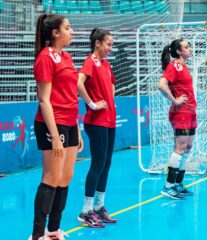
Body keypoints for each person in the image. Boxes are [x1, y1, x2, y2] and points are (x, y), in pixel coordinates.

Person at [30, 14, 82, 240]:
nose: (72, 32)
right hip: (52, 123)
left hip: (69, 123)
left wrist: (77, 128)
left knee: (65, 177)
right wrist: (55, 135)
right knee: (51, 177)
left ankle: (53, 230)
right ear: (55, 33)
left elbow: (71, 96)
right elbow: (44, 100)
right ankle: (37, 234)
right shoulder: (45, 58)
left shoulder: (67, 57)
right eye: (68, 28)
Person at [77, 28, 117, 227]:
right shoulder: (90, 62)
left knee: (106, 163)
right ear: (98, 43)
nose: (110, 48)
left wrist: (111, 101)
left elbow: (111, 85)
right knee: (98, 164)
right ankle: (86, 210)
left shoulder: (107, 65)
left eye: (111, 44)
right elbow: (78, 83)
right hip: (96, 121)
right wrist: (92, 104)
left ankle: (100, 207)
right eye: (108, 44)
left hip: (109, 120)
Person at [157, 39, 195, 199]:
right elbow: (161, 84)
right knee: (180, 148)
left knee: (187, 148)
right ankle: (168, 186)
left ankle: (178, 184)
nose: (190, 49)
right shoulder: (174, 65)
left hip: (190, 111)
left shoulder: (183, 66)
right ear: (178, 51)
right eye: (186, 47)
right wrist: (175, 100)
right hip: (181, 112)